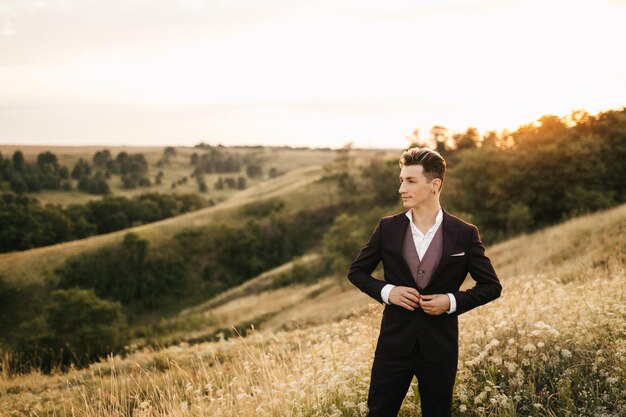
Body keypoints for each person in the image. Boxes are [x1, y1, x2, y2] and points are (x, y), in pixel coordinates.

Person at [347, 147, 502, 417]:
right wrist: (388, 291)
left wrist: (450, 301)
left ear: (435, 185)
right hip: (393, 346)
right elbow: (357, 271)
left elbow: (492, 286)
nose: (401, 189)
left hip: (440, 348)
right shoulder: (388, 228)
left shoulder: (464, 233)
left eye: (410, 181)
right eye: (401, 180)